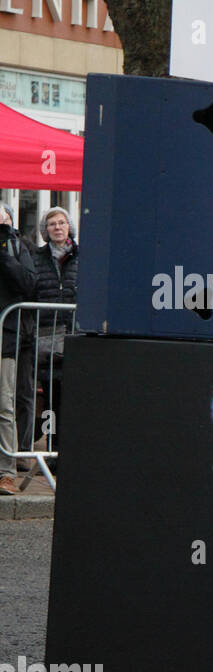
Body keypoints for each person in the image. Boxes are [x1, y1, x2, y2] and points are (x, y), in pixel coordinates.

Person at [31, 206, 78, 458]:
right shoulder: (37, 258)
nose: (57, 227)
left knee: (73, 396)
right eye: (52, 224)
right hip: (47, 336)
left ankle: (70, 453)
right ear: (45, 231)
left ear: (69, 226)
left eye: (61, 222)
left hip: (75, 337)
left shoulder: (83, 256)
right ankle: (52, 449)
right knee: (51, 397)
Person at [0, 201, 37, 495]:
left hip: (6, 337)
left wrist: (3, 252)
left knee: (4, 405)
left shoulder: (16, 246)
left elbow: (27, 284)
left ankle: (6, 472)